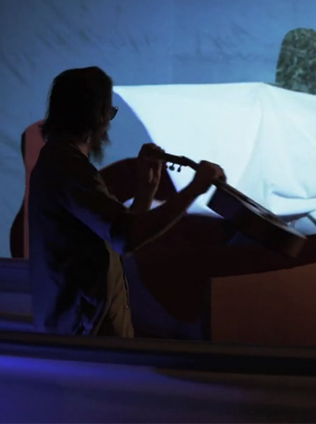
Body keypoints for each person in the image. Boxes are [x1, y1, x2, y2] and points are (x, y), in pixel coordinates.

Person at [29, 66, 226, 338]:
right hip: (86, 340)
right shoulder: (68, 168)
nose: (108, 125)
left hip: (84, 334)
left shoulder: (62, 164)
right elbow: (125, 237)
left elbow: (116, 239)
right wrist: (195, 189)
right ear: (96, 115)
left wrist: (146, 191)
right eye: (109, 113)